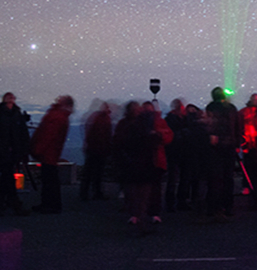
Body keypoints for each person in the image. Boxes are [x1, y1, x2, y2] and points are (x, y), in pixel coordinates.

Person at [115, 100, 173, 229]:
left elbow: (168, 137)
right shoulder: (134, 125)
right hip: (145, 160)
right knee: (139, 190)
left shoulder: (154, 123)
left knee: (151, 189)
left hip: (153, 160)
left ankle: (148, 214)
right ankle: (139, 215)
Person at [0, 92, 31, 216]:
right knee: (7, 178)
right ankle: (13, 205)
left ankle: (0, 205)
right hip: (2, 153)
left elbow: (23, 134)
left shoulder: (16, 116)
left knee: (6, 179)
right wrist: (2, 148)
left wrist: (22, 149)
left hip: (13, 153)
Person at [30, 95, 74, 214]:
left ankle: (50, 205)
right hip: (52, 152)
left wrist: (37, 149)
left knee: (49, 180)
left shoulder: (57, 115)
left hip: (48, 152)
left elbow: (48, 135)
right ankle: (50, 204)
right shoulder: (61, 116)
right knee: (50, 179)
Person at [205, 87, 240, 220]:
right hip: (229, 145)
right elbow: (237, 126)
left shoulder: (211, 107)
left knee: (215, 178)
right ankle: (227, 206)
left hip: (215, 146)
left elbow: (210, 124)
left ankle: (213, 206)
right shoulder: (231, 108)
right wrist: (236, 143)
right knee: (227, 177)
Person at [81, 101, 112, 201]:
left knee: (90, 172)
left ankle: (86, 192)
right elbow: (105, 134)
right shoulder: (104, 118)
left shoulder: (95, 117)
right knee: (96, 172)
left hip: (94, 148)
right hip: (99, 148)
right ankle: (94, 192)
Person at [164, 98, 190, 212]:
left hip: (177, 151)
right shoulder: (176, 120)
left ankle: (175, 202)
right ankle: (176, 202)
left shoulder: (170, 119)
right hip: (177, 151)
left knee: (176, 178)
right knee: (175, 178)